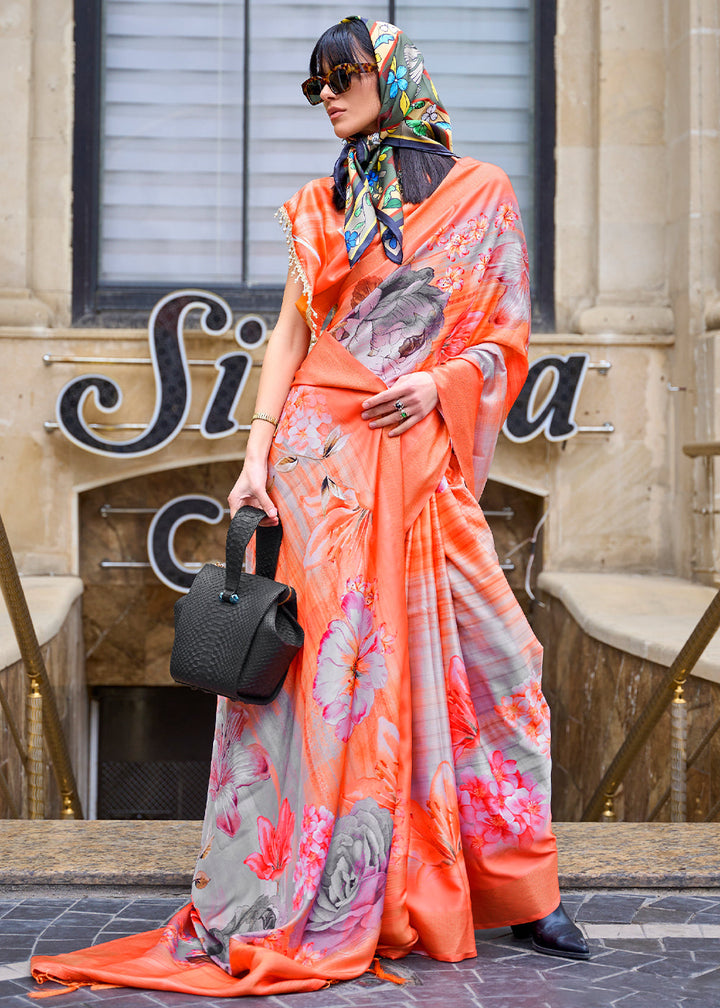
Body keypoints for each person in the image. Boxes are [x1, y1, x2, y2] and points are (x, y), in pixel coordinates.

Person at [31, 15, 588, 1000]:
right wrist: (251, 461)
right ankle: (343, 888)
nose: (328, 95)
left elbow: (505, 338)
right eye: (314, 84)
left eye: (345, 77)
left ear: (396, 80)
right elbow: (289, 338)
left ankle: (521, 887)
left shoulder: (481, 195)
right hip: (321, 464)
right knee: (338, 685)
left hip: (420, 454)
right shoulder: (322, 203)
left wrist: (439, 384)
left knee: (507, 657)